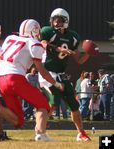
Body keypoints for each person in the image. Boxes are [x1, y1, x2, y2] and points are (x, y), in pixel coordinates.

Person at [0, 19, 64, 141]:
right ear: (34, 31)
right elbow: (42, 71)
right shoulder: (33, 43)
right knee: (43, 105)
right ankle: (41, 134)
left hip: (1, 79)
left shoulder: (9, 39)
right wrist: (56, 83)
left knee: (18, 121)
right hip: (15, 79)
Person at [39, 8, 91, 141]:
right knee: (53, 103)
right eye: (55, 20)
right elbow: (43, 43)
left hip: (61, 74)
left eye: (60, 20)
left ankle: (81, 133)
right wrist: (58, 49)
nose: (56, 23)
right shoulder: (47, 31)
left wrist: (90, 52)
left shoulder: (72, 37)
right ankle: (40, 132)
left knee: (74, 104)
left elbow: (79, 60)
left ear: (66, 21)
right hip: (47, 72)